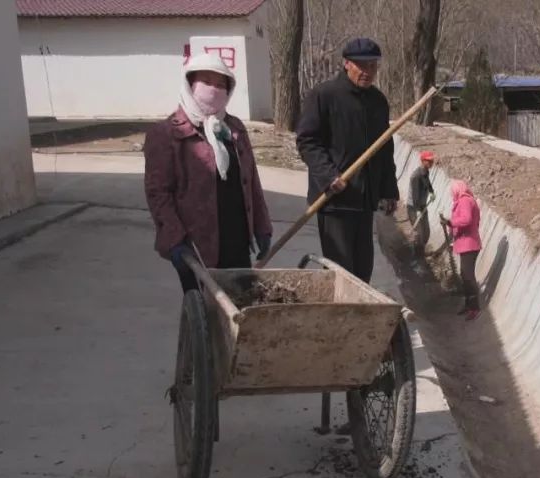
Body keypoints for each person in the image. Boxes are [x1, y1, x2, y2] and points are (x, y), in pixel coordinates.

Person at [143, 52, 272, 292]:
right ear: (190, 84)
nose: (214, 89)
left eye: (221, 84)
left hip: (236, 239)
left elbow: (251, 181)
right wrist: (175, 240)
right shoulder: (166, 134)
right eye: (207, 82)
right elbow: (158, 193)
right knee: (205, 313)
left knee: (239, 308)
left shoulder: (234, 129)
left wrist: (262, 227)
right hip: (194, 247)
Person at [295, 37, 399, 284]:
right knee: (341, 271)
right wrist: (329, 175)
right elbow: (307, 141)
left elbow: (384, 149)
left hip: (365, 201)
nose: (367, 72)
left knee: (363, 270)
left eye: (373, 66)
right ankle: (340, 314)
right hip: (335, 200)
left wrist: (389, 190)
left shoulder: (377, 101)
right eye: (361, 65)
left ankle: (359, 317)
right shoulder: (324, 95)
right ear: (346, 64)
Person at [439, 180, 482, 320]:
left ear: (457, 189)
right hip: (465, 243)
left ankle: (474, 307)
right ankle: (468, 304)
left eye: (452, 191)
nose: (452, 193)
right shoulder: (465, 200)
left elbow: (467, 219)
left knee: (468, 276)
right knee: (464, 275)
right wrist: (449, 224)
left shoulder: (464, 201)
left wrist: (450, 222)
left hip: (469, 244)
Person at [408, 151, 436, 248]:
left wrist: (432, 191)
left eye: (432, 161)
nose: (431, 163)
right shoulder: (416, 176)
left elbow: (427, 182)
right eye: (429, 161)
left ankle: (420, 251)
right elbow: (415, 195)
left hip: (422, 206)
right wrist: (418, 210)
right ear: (423, 161)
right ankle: (417, 257)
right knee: (419, 233)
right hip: (413, 207)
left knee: (426, 232)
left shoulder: (425, 172)